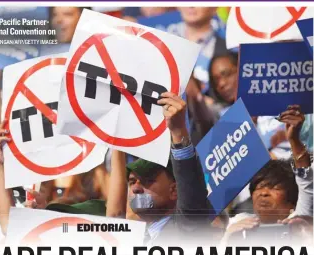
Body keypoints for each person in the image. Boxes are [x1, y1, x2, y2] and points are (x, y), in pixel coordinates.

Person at [106, 92, 215, 246]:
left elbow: (190, 189)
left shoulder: (187, 228)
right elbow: (115, 216)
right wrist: (117, 139)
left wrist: (178, 131)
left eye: (148, 181)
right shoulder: (131, 238)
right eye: (131, 182)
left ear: (174, 191)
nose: (136, 188)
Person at [222, 105, 313, 245]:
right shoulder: (237, 223)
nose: (263, 193)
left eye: (273, 187)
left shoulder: (300, 221)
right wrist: (228, 237)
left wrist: (294, 139)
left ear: (292, 201)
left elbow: (305, 179)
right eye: (258, 187)